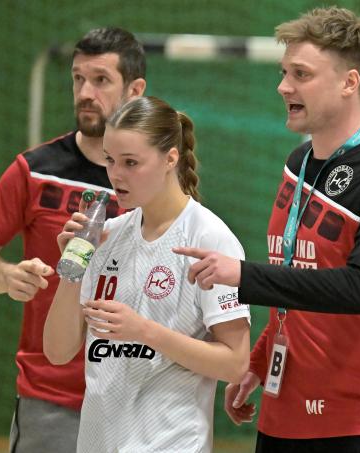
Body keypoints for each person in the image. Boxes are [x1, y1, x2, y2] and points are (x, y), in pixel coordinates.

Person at [173, 6, 360, 453]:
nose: (284, 86)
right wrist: (259, 360)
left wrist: (243, 275)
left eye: (301, 74)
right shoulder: (298, 164)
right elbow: (300, 275)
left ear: (349, 82)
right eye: (284, 72)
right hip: (284, 411)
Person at [0, 27, 146, 452]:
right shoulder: (35, 171)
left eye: (101, 80)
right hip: (51, 402)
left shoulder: (156, 181)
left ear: (135, 90)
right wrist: (5, 277)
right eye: (78, 79)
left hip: (135, 401)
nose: (85, 93)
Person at [43, 96, 250, 452]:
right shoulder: (107, 235)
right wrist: (72, 270)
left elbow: (235, 363)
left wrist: (144, 331)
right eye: (110, 160)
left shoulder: (208, 238)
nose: (116, 174)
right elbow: (57, 351)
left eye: (131, 162)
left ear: (170, 158)